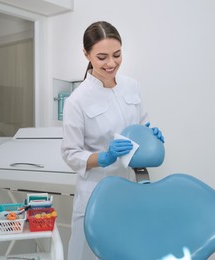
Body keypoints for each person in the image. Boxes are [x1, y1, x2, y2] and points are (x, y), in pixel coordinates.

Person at [61, 21, 164, 260]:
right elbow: (70, 153)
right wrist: (103, 157)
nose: (111, 63)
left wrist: (151, 137)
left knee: (127, 251)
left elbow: (142, 126)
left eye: (117, 55)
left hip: (130, 189)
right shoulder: (77, 100)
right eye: (101, 57)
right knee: (87, 254)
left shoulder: (132, 87)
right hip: (95, 192)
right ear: (86, 54)